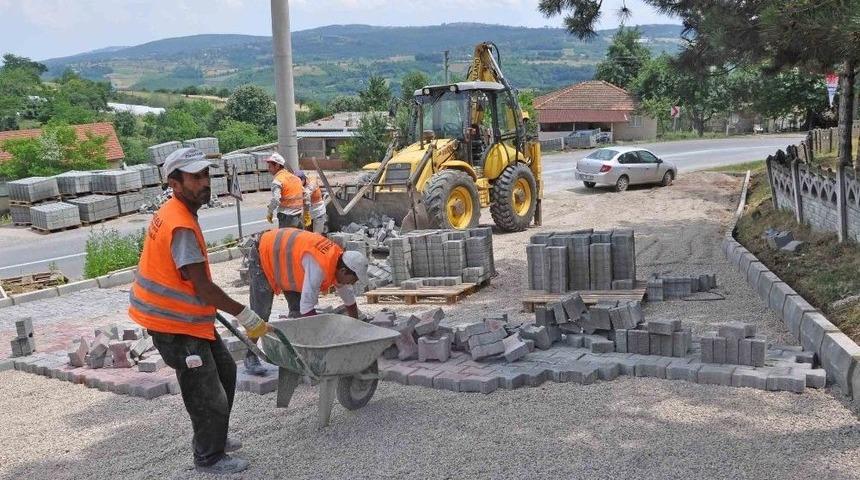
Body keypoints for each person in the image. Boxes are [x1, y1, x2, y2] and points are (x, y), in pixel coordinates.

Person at [128, 147, 269, 475]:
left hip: (188, 320)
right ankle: (209, 457)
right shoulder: (180, 225)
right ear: (175, 183)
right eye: (195, 177)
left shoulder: (177, 210)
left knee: (226, 373)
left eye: (206, 175)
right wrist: (245, 314)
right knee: (206, 395)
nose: (204, 182)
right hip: (173, 325)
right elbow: (204, 287)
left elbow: (190, 283)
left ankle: (214, 436)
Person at [242, 228, 368, 375]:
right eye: (353, 280)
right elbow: (308, 309)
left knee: (296, 312)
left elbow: (349, 299)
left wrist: (357, 328)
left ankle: (296, 355)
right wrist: (322, 341)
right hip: (264, 253)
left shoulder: (339, 261)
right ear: (344, 272)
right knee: (261, 313)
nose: (351, 284)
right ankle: (250, 355)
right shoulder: (319, 267)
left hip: (288, 259)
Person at [264, 152, 306, 228]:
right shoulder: (296, 178)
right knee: (297, 239)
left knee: (285, 239)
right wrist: (307, 212)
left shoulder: (278, 181)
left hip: (286, 217)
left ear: (277, 166)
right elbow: (306, 195)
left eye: (270, 166)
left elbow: (276, 199)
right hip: (299, 216)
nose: (268, 169)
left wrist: (270, 212)